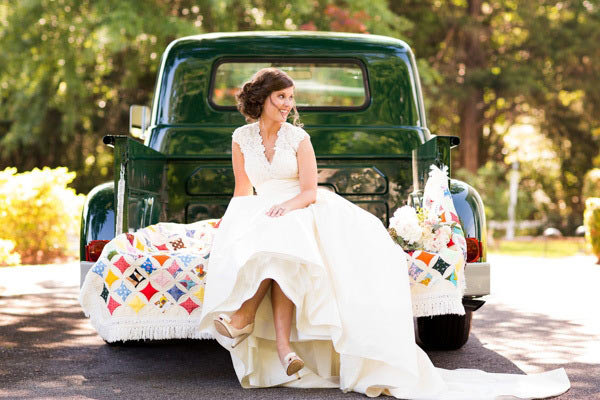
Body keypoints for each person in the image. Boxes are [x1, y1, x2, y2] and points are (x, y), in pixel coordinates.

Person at [197, 67, 570, 398]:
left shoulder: (299, 139)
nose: (288, 105)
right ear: (261, 99)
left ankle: (244, 318)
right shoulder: (241, 138)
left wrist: (284, 208)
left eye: (291, 98)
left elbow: (309, 192)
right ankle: (283, 350)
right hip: (264, 211)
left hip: (302, 208)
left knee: (284, 243)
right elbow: (242, 190)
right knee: (270, 246)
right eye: (281, 97)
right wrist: (232, 225)